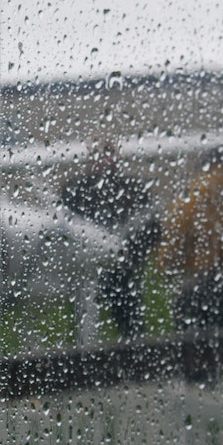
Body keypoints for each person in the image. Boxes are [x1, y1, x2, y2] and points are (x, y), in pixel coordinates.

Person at [156, 148, 223, 329]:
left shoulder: (192, 195)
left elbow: (171, 251)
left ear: (200, 166)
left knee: (203, 348)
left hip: (208, 292)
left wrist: (165, 263)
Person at [62, 142, 160, 338]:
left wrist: (130, 255)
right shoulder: (75, 189)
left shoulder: (132, 189)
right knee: (85, 318)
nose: (104, 161)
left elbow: (151, 227)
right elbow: (66, 228)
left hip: (122, 268)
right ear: (90, 160)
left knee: (128, 314)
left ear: (117, 159)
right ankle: (84, 355)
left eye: (108, 155)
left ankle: (134, 351)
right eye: (98, 156)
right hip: (87, 266)